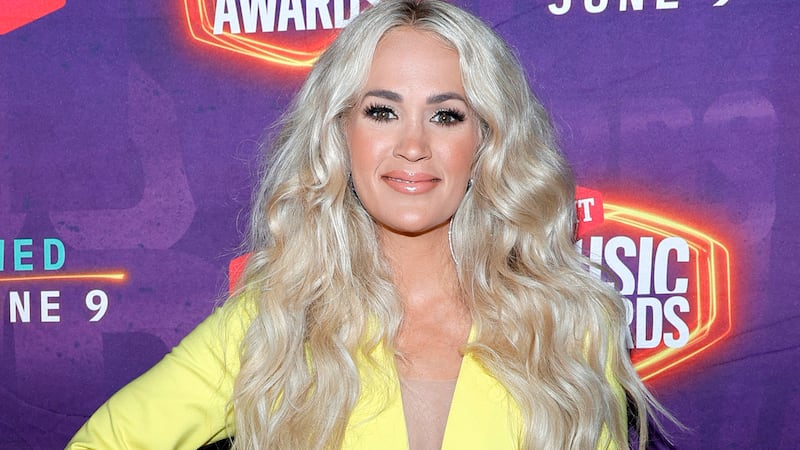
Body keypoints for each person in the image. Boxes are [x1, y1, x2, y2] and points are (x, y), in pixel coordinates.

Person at [68, 1, 671, 449]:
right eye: (382, 111)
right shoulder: (275, 324)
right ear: (341, 132)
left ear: (487, 141)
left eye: (446, 115)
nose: (413, 145)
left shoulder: (563, 324)